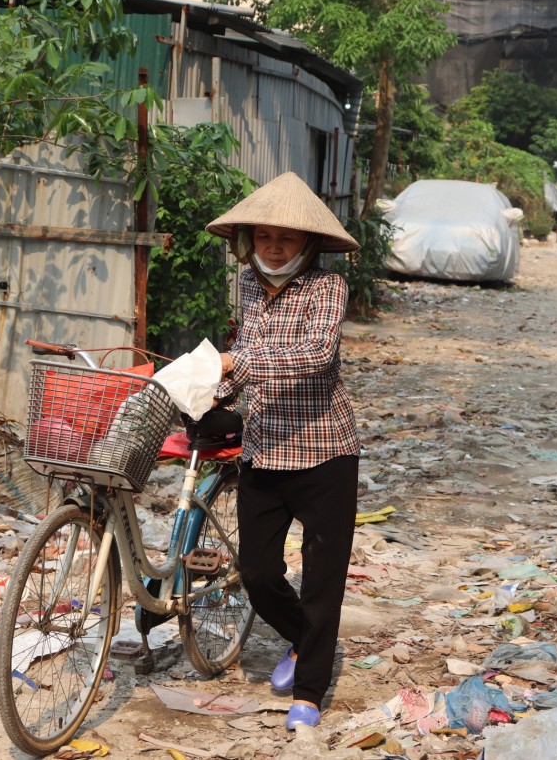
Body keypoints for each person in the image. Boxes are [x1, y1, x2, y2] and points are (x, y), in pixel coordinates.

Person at [206, 172, 361, 730]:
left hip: (326, 453)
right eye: (264, 236)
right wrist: (207, 386)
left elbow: (316, 355)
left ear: (309, 245)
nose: (273, 247)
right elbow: (243, 353)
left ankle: (311, 691)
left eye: (287, 239)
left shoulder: (329, 289)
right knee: (258, 573)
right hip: (264, 448)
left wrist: (235, 364)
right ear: (250, 240)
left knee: (323, 582)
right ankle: (306, 641)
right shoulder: (247, 286)